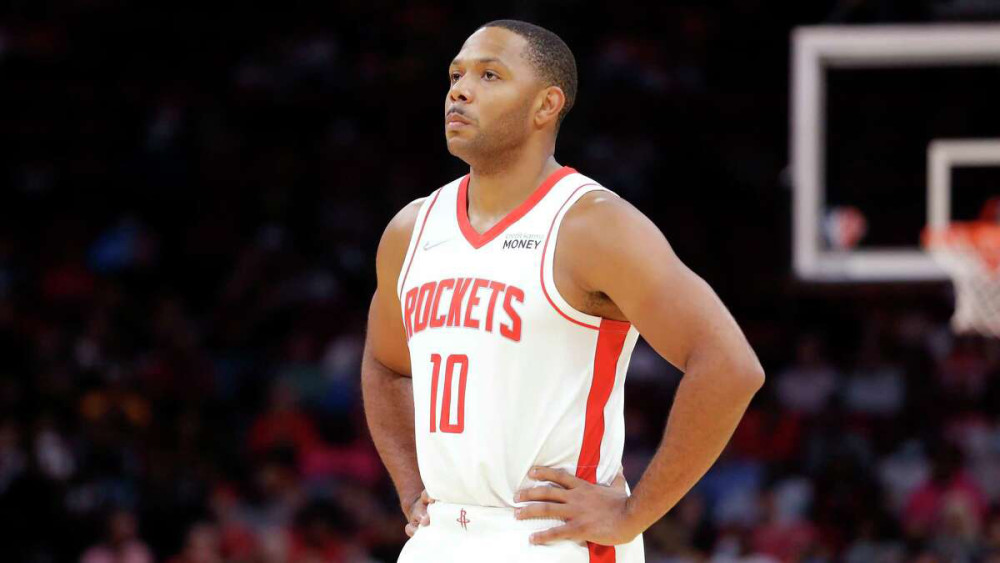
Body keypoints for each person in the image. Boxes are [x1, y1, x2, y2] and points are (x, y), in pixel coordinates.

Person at [361, 19, 765, 563]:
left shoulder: (591, 224)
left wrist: (633, 514)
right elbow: (385, 365)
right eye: (456, 75)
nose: (460, 91)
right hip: (441, 535)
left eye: (489, 75)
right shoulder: (411, 229)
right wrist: (411, 487)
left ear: (546, 105)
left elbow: (730, 365)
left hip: (550, 538)